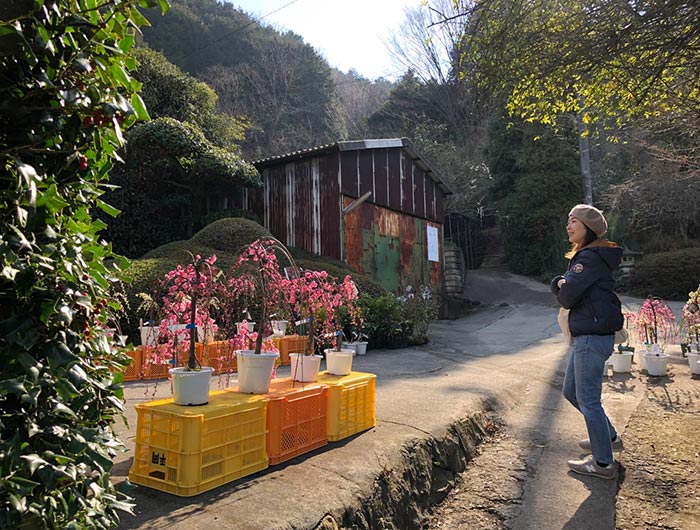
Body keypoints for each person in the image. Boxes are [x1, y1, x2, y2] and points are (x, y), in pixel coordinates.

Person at [551, 204, 625, 480]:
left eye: (573, 221)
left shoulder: (589, 258)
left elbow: (568, 295)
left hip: (591, 337)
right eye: (568, 221)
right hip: (591, 335)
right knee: (572, 391)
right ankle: (609, 436)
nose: (568, 226)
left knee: (588, 400)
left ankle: (603, 464)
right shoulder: (591, 255)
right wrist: (563, 282)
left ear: (588, 227)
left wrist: (558, 283)